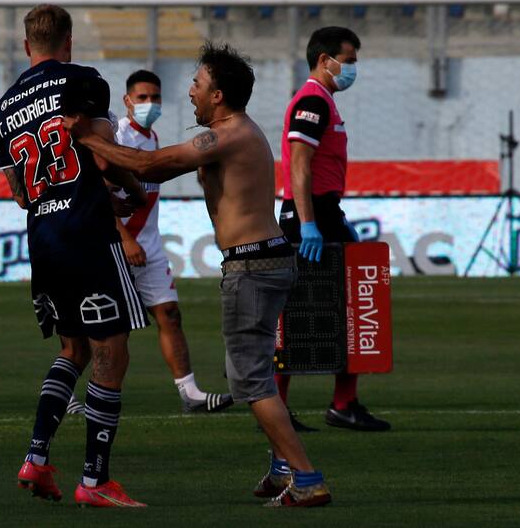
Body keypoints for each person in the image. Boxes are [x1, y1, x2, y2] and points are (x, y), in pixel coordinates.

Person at [65, 42, 331, 508]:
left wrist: (88, 139)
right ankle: (281, 465)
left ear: (219, 96)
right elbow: (151, 174)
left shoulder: (227, 135)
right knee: (253, 374)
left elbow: (152, 164)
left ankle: (306, 478)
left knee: (248, 382)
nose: (189, 92)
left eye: (197, 84)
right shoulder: (232, 133)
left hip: (252, 265)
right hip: (262, 260)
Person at [0, 4, 149, 508]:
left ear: (25, 47)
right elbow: (104, 154)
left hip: (44, 240)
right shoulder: (83, 80)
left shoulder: (4, 108)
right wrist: (135, 187)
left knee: (73, 350)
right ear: (68, 41)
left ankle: (35, 460)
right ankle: (95, 481)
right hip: (87, 233)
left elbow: (19, 193)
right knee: (111, 352)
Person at [276, 26, 391, 435]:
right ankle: (309, 406)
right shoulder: (313, 100)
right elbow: (300, 165)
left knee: (342, 306)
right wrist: (308, 224)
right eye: (350, 60)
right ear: (325, 61)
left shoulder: (322, 101)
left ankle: (339, 403)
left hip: (324, 214)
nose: (353, 69)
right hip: (314, 217)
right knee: (301, 312)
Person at [114, 69, 232, 413]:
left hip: (148, 244)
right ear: (127, 101)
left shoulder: (152, 139)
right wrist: (123, 239)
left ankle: (190, 394)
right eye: (142, 98)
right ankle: (73, 393)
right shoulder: (118, 138)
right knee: (107, 328)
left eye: (155, 98)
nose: (149, 104)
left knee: (169, 313)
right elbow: (99, 195)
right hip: (117, 245)